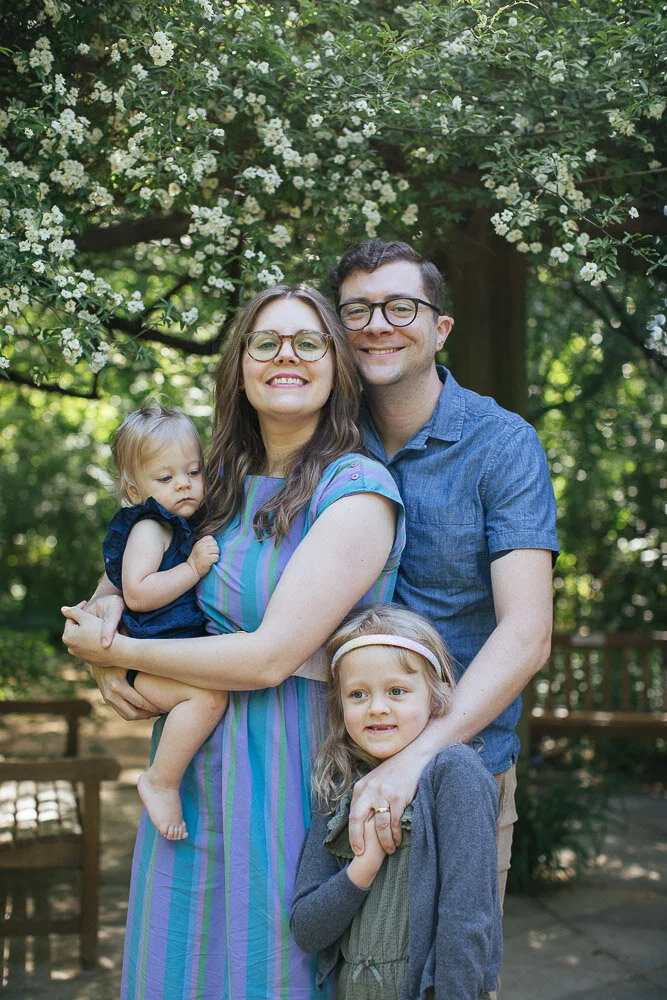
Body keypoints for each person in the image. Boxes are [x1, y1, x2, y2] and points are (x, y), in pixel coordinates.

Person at [62, 284, 406, 1000]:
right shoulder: (204, 483)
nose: (287, 356)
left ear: (336, 366)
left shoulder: (356, 488)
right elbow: (115, 591)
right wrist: (100, 649)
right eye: (265, 342)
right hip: (188, 767)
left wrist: (118, 655)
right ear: (239, 366)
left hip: (292, 765)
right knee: (177, 958)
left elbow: (271, 656)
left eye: (308, 342)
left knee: (269, 963)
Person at [328, 240, 559, 916]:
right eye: (356, 311)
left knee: (451, 981)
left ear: (440, 327)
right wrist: (113, 594)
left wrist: (416, 757)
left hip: (462, 768)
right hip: (326, 769)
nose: (377, 324)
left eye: (400, 306)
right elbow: (194, 504)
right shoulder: (317, 436)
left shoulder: (502, 444)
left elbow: (527, 632)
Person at [290, 604, 501, 1000]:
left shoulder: (455, 775)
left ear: (436, 696)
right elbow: (306, 931)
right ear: (339, 705)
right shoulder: (337, 783)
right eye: (358, 694)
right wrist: (363, 868)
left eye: (397, 691)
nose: (377, 707)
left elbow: (468, 920)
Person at [102, 400, 225, 841]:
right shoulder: (150, 528)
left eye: (193, 472)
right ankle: (160, 780)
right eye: (166, 478)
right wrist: (191, 570)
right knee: (209, 699)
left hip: (163, 652)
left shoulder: (178, 522)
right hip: (144, 655)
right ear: (135, 491)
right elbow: (135, 592)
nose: (185, 485)